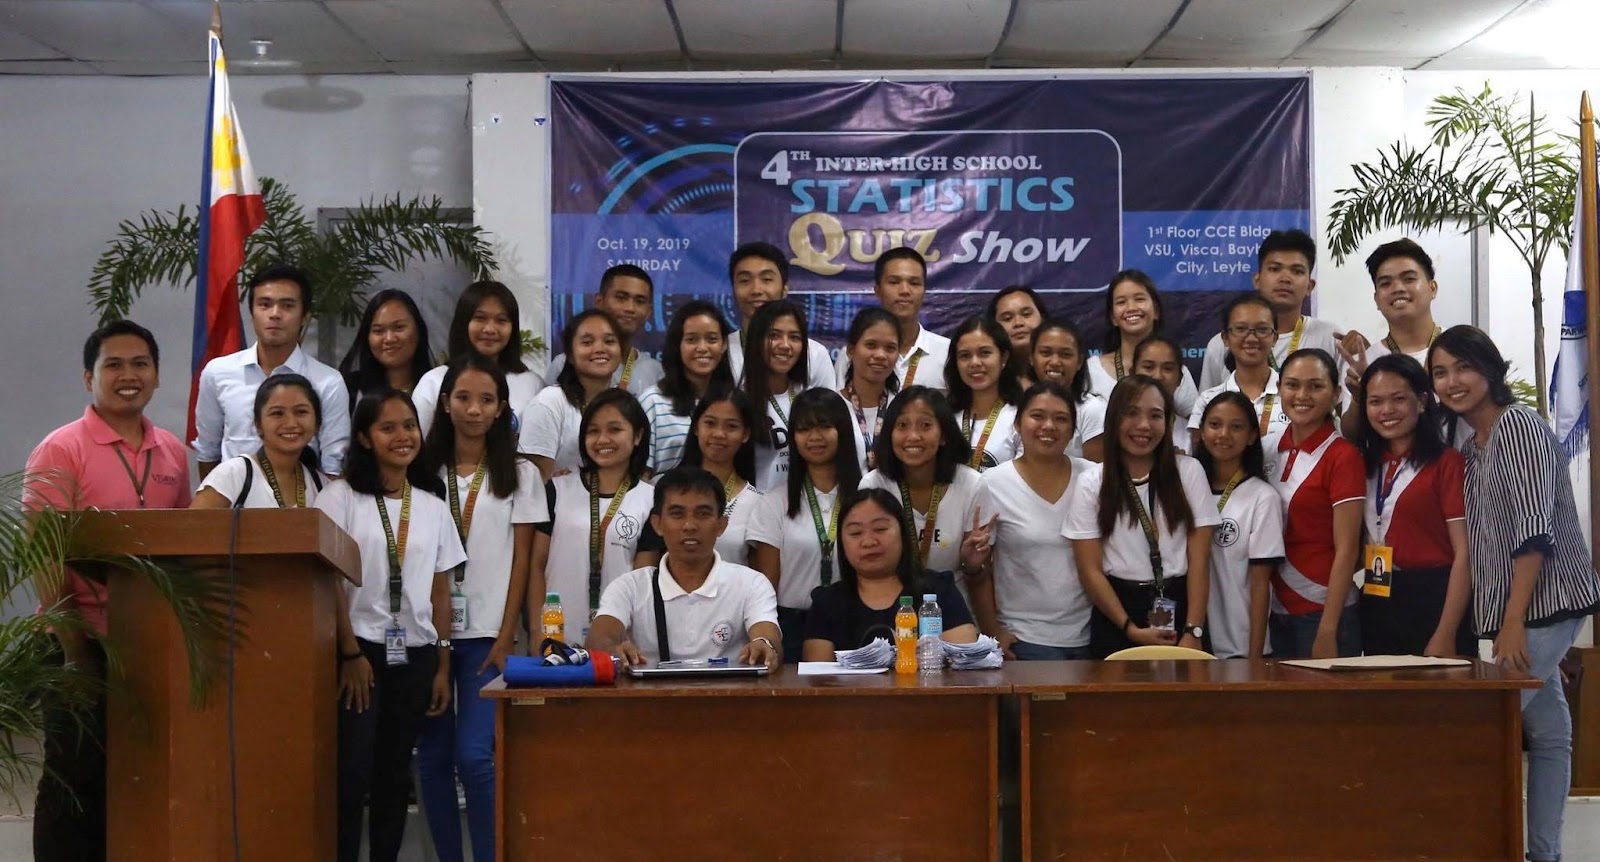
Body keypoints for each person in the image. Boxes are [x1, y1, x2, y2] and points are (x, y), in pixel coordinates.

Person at [1430, 325, 1600, 862]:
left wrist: (1511, 623)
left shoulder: (1519, 429)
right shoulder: (1475, 443)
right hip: (1514, 610)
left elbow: (1533, 536)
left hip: (1543, 608)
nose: (1451, 381)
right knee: (1547, 736)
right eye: (1440, 372)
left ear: (1490, 370)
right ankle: (1543, 854)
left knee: (1488, 729)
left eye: (1462, 367)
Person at [26, 320, 191, 861]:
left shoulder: (171, 452)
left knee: (137, 781)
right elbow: (44, 554)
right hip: (79, 644)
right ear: (87, 377)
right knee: (74, 784)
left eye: (140, 363)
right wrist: (75, 650)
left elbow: (182, 547)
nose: (128, 376)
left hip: (149, 643)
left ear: (157, 375)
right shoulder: (61, 449)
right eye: (113, 365)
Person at [316, 389, 466, 862]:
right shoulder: (339, 497)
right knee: (352, 771)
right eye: (388, 427)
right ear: (364, 436)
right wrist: (349, 654)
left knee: (396, 774)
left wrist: (442, 664)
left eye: (409, 426)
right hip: (358, 651)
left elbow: (441, 591)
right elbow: (330, 584)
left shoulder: (432, 505)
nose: (403, 436)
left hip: (416, 655)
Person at [415, 356, 543, 862]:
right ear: (445, 405)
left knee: (475, 757)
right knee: (433, 758)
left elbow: (523, 561)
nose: (473, 409)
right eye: (463, 398)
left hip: (489, 636)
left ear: (501, 410)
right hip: (429, 635)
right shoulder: (423, 473)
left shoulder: (521, 474)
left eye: (486, 400)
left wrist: (510, 635)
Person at [1064, 375, 1217, 658]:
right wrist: (1129, 628)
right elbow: (1090, 570)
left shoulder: (1189, 472)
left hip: (1181, 607)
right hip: (1118, 613)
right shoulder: (1092, 481)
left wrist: (1193, 629)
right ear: (1113, 420)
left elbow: (1199, 559)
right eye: (1131, 413)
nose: (1144, 425)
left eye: (1155, 415)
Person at [587, 467, 782, 668]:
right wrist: (612, 650)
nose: (689, 525)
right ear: (657, 524)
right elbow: (599, 638)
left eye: (703, 514)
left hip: (728, 697)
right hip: (651, 698)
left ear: (721, 525)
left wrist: (765, 646)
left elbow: (768, 637)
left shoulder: (751, 583)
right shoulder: (628, 587)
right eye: (677, 514)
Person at [1354, 353, 1473, 658]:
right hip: (1379, 593)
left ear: (1421, 402)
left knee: (1439, 703)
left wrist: (1446, 631)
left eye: (1398, 399)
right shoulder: (1366, 464)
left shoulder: (1447, 463)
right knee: (1387, 699)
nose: (1386, 411)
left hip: (1435, 597)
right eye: (1375, 401)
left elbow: (1465, 553)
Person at [975, 382, 1094, 659]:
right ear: (1017, 423)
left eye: (1061, 419)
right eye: (1037, 416)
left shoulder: (1093, 478)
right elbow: (978, 570)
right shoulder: (991, 483)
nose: (1049, 426)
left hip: (1092, 635)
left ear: (1073, 430)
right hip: (1024, 637)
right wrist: (993, 631)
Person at [194, 264, 350, 477]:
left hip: (302, 505)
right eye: (265, 304)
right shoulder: (218, 373)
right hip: (236, 505)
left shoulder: (328, 382)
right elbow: (208, 453)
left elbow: (333, 465)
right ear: (252, 312)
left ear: (304, 316)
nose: (275, 314)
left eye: (287, 306)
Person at [527, 388, 656, 645]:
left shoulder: (650, 500)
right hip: (556, 636)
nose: (602, 439)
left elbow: (643, 581)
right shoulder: (558, 489)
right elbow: (537, 565)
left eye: (614, 429)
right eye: (593, 431)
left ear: (638, 435)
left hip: (621, 642)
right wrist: (536, 632)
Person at [748, 388, 865, 661]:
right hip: (793, 627)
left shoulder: (866, 494)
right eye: (803, 429)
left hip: (855, 620)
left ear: (843, 430)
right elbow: (766, 586)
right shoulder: (774, 502)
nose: (814, 437)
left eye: (824, 426)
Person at [802, 488, 980, 657]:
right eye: (855, 533)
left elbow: (963, 667)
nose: (869, 542)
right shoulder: (826, 603)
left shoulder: (938, 591)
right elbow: (820, 681)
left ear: (903, 534)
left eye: (880, 529)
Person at [1268, 348, 1364, 658]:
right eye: (1292, 385)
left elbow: (1348, 549)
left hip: (1323, 612)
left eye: (1316, 386)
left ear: (1336, 393)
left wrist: (1327, 629)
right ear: (1279, 388)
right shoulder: (1268, 449)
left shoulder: (1343, 456)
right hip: (1276, 610)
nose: (1302, 395)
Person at [858, 387, 993, 603]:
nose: (913, 436)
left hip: (953, 608)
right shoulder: (874, 485)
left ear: (943, 436)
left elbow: (979, 579)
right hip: (890, 606)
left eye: (926, 425)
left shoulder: (972, 484)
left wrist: (972, 564)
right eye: (902, 425)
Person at [1191, 391, 1284, 659]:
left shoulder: (1262, 498)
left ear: (1252, 436)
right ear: (1202, 431)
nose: (1224, 434)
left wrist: (1254, 658)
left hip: (1239, 647)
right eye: (1215, 424)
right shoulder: (1187, 489)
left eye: (1236, 427)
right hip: (1190, 641)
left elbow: (1260, 585)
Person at [1199, 229, 1349, 392]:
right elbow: (1208, 408)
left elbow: (1342, 407)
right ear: (1257, 280)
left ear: (1309, 286)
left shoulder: (1330, 338)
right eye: (1275, 269)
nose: (1285, 278)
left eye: (1297, 271)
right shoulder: (1223, 344)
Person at [415, 280, 541, 441]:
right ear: (463, 323)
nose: (489, 329)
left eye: (501, 320)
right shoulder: (433, 382)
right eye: (480, 318)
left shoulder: (531, 384)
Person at [1339, 238, 1444, 430]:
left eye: (1409, 279)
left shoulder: (1461, 350)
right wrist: (1358, 398)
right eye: (1386, 283)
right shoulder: (1363, 361)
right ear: (1377, 300)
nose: (1397, 288)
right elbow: (1350, 438)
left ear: (1432, 289)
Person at [192, 373, 325, 509]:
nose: (290, 423)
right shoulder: (232, 475)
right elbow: (188, 528)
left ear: (317, 423)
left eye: (301, 412)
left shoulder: (321, 486)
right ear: (258, 425)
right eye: (277, 413)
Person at [521, 309, 625, 479]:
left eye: (609, 341)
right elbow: (533, 483)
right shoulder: (549, 402)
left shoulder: (623, 405)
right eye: (587, 342)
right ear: (569, 355)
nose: (600, 348)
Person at [638, 300, 735, 474]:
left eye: (712, 339)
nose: (702, 348)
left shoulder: (734, 400)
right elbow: (641, 477)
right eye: (692, 340)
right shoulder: (652, 401)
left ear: (724, 345)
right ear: (678, 345)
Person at [832, 247, 949, 390]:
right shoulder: (852, 355)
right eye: (894, 282)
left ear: (924, 291)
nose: (905, 291)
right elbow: (841, 409)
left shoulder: (947, 353)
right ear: (878, 291)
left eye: (914, 283)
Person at [725, 242, 836, 389]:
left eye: (767, 279)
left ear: (785, 289)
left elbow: (826, 410)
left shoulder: (814, 354)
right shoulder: (722, 352)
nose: (756, 290)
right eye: (745, 280)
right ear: (733, 290)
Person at [1190, 294, 1292, 453]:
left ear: (1275, 338)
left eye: (1262, 329)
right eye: (1240, 329)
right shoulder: (1207, 400)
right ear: (1225, 338)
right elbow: (1200, 460)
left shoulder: (1293, 396)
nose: (1251, 338)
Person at [1088, 269, 1199, 413]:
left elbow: (1195, 427)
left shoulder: (1175, 371)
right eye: (1121, 302)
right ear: (1113, 318)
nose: (1131, 308)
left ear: (1156, 311)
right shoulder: (1092, 370)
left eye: (1140, 299)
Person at [543, 264, 664, 396]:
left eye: (640, 301)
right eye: (621, 298)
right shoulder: (564, 365)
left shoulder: (656, 372)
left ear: (649, 312)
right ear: (600, 301)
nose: (630, 308)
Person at [673, 388, 762, 566]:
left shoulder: (757, 503)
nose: (719, 434)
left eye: (731, 426)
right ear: (696, 427)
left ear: (745, 434)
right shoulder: (667, 489)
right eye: (710, 423)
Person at [743, 300, 811, 491]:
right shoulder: (739, 400)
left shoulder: (808, 397)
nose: (785, 345)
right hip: (754, 509)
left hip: (805, 507)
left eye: (795, 337)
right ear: (756, 339)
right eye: (774, 335)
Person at [945, 316, 1022, 470]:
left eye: (984, 353)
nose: (975, 363)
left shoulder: (1021, 417)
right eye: (965, 355)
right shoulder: (945, 416)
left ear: (1004, 358)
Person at [339, 289, 434, 406]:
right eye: (378, 331)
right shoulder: (348, 391)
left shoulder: (436, 387)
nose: (389, 339)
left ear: (418, 330)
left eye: (399, 327)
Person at [1029, 318, 1106, 459]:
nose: (1055, 362)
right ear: (1031, 358)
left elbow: (1098, 475)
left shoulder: (1092, 409)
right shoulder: (1017, 407)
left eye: (1065, 355)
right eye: (1046, 353)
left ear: (1079, 362)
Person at [838, 306, 901, 471]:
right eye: (871, 345)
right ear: (851, 350)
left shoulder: (904, 407)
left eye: (890, 348)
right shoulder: (831, 407)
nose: (881, 355)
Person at [1131, 336, 1192, 454]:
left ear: (1180, 378)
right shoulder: (1119, 427)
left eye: (1168, 368)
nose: (1158, 376)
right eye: (1148, 367)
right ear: (1132, 373)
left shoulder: (1191, 434)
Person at [986, 285, 1048, 388]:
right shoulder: (987, 382)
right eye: (1007, 318)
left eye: (1026, 314)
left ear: (1043, 318)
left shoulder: (1064, 372)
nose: (1018, 323)